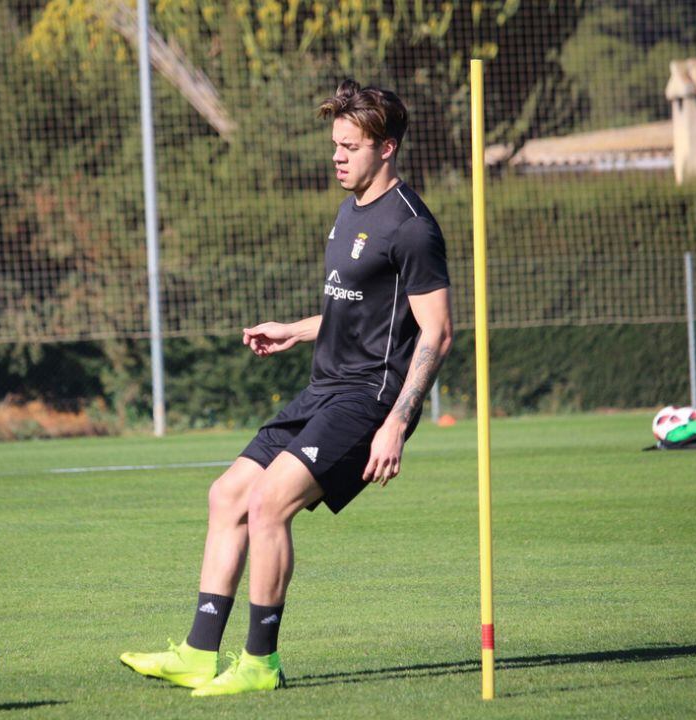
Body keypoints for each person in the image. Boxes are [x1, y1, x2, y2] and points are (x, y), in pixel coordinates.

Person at [120, 79, 453, 697]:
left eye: (350, 146)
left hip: (367, 401)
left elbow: (436, 332)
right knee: (228, 496)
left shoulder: (413, 229)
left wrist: (397, 424)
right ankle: (198, 653)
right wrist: (298, 330)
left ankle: (259, 664)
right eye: (335, 143)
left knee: (269, 503)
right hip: (323, 387)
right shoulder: (351, 207)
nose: (337, 156)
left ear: (387, 148)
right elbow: (364, 314)